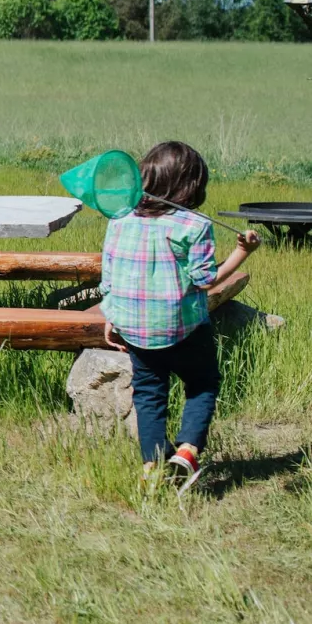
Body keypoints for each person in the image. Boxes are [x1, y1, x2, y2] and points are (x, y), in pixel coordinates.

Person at [99, 140, 258, 495]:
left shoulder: (120, 219)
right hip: (184, 328)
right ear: (191, 186)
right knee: (202, 384)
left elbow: (110, 273)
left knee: (149, 394)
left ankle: (152, 465)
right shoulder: (194, 224)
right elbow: (205, 281)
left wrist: (110, 315)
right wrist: (242, 252)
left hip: (135, 328)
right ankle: (187, 450)